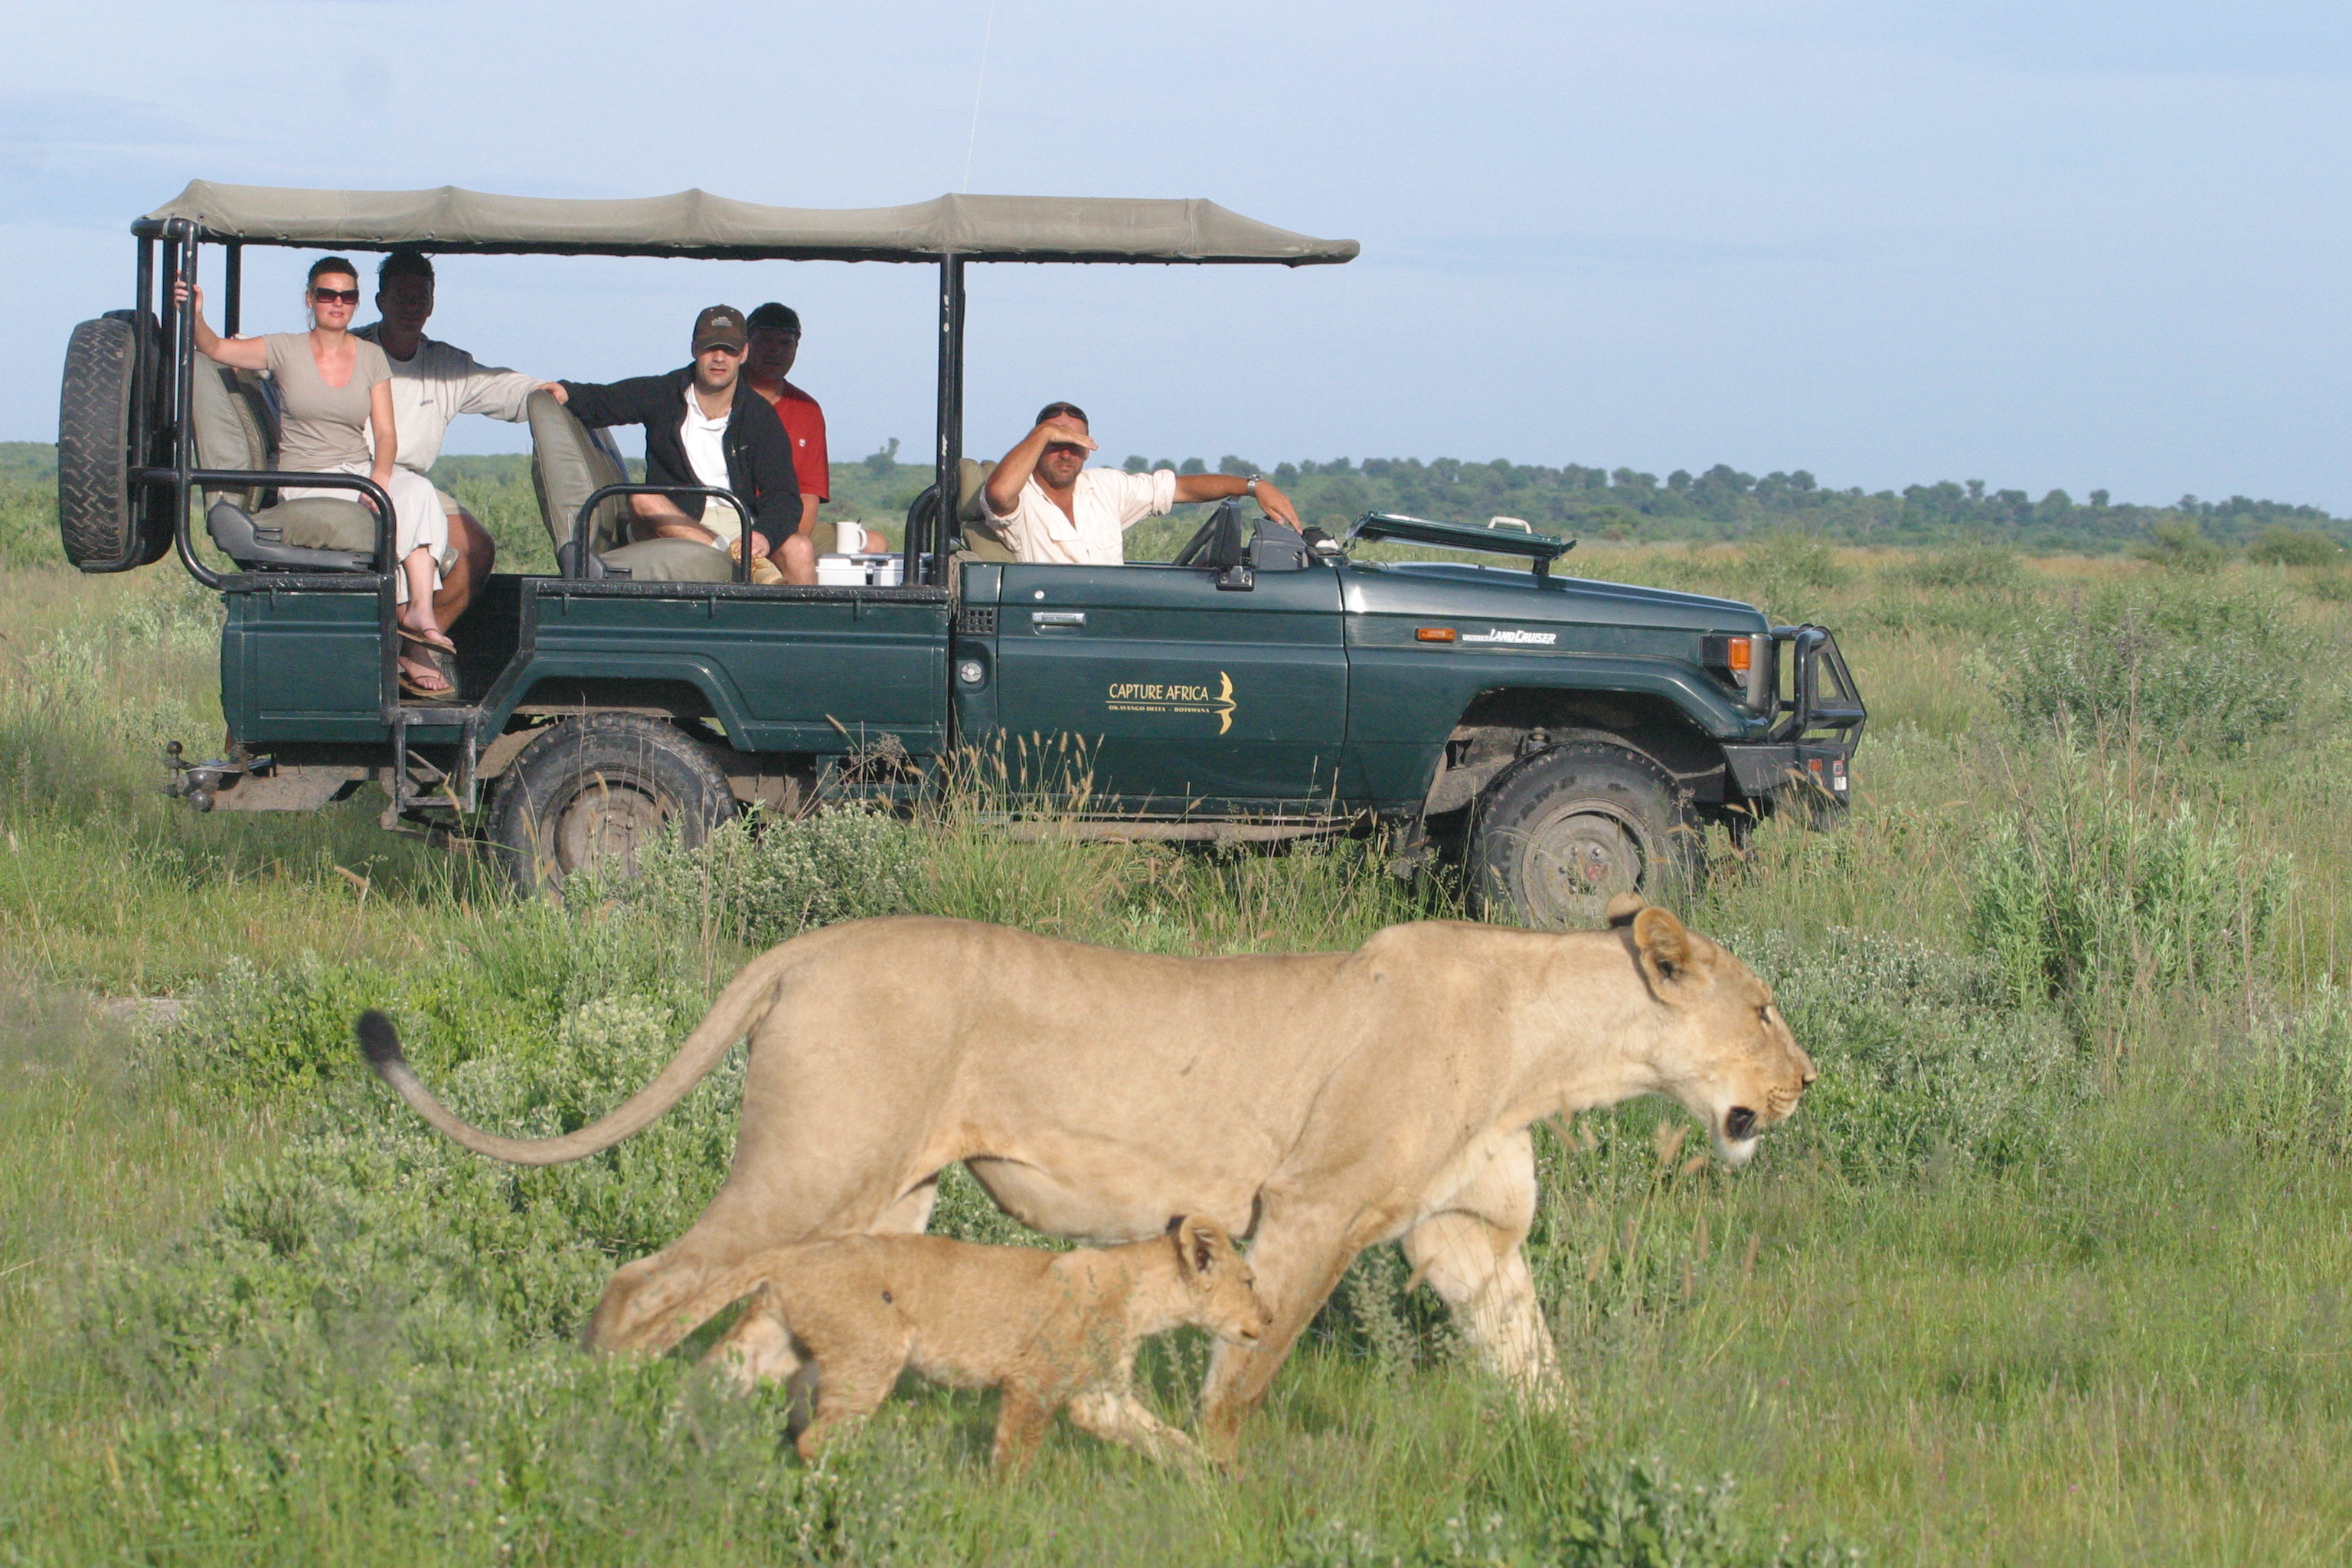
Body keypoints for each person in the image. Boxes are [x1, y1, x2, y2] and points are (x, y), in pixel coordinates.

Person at [178, 256, 458, 698]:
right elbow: (213, 348)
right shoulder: (284, 347)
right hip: (307, 473)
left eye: (346, 296)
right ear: (311, 298)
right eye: (327, 294)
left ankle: (421, 613)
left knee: (418, 491)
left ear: (357, 302)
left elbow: (386, 434)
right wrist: (195, 314)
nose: (337, 303)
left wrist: (380, 480)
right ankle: (409, 633)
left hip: (357, 470)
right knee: (388, 507)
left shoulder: (370, 356)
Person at [353, 249, 558, 631]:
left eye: (421, 299)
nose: (412, 308)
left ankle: (417, 642)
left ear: (432, 304)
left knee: (477, 548)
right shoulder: (352, 351)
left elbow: (495, 385)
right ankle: (403, 640)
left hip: (411, 479)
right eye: (402, 298)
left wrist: (542, 391)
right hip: (357, 474)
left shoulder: (445, 365)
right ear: (381, 301)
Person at [554, 305, 800, 585]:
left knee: (800, 549)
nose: (719, 358)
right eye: (710, 348)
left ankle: (805, 625)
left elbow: (783, 495)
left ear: (743, 354)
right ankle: (735, 560)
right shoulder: (664, 393)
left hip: (738, 520)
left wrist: (763, 535)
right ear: (695, 349)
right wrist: (565, 392)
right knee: (643, 498)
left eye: (729, 350)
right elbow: (602, 400)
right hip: (672, 520)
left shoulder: (760, 415)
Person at [982, 403, 1302, 567]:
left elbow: (1182, 489)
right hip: (1049, 625)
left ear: (1087, 449)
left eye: (1075, 443)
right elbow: (999, 493)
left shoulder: (1105, 487)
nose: (1065, 453)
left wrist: (1252, 485)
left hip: (1109, 619)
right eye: (1055, 443)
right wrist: (1042, 434)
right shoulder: (1021, 497)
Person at [743, 302, 831, 583]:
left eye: (785, 343)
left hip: (787, 522)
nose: (775, 351)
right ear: (746, 344)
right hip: (735, 515)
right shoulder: (722, 398)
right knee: (798, 549)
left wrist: (787, 538)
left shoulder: (807, 409)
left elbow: (808, 493)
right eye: (766, 341)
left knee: (875, 542)